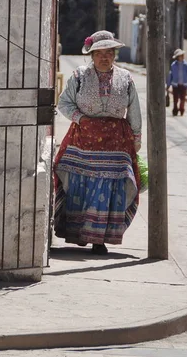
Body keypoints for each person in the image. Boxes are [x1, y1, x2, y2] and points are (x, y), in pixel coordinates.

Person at [54, 30, 142, 255]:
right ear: (91, 55)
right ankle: (79, 232)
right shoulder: (79, 76)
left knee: (111, 185)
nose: (104, 57)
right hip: (83, 138)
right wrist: (80, 119)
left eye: (109, 53)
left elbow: (134, 111)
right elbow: (64, 103)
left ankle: (99, 239)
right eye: (99, 53)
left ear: (114, 55)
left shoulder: (126, 78)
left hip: (116, 142)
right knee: (80, 184)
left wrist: (136, 138)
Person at [166, 49, 187, 116]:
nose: (181, 57)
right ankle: (175, 110)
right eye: (179, 56)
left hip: (184, 85)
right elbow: (170, 75)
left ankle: (182, 110)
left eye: (181, 56)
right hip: (175, 85)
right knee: (175, 99)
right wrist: (168, 84)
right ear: (177, 57)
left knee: (182, 99)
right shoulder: (173, 65)